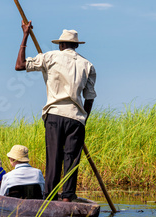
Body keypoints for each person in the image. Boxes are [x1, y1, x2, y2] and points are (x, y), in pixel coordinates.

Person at [15, 22, 96, 202]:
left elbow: (19, 65)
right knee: (72, 160)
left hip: (55, 114)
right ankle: (67, 197)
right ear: (75, 45)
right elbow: (89, 97)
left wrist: (25, 35)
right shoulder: (87, 65)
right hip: (76, 118)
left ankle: (50, 197)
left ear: (61, 45)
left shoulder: (50, 57)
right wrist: (83, 119)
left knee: (54, 158)